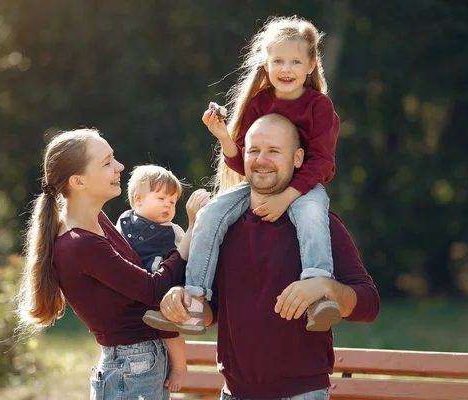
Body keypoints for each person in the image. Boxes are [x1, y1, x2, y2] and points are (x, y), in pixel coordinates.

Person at [156, 114, 380, 399]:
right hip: (234, 393)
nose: (261, 160)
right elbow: (212, 311)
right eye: (253, 150)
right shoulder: (220, 229)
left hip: (301, 394)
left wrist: (325, 287)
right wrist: (181, 301)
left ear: (298, 158)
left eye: (274, 151)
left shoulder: (320, 226)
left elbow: (369, 305)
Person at [151, 16, 342, 333]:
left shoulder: (318, 107)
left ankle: (317, 293)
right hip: (258, 187)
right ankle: (196, 301)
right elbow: (245, 163)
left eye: (295, 61)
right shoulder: (260, 103)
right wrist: (224, 137)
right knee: (211, 213)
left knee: (311, 215)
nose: (285, 68)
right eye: (278, 60)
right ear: (266, 64)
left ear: (310, 65)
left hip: (303, 187)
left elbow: (322, 163)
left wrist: (286, 198)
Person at [15, 128, 208, 399]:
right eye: (107, 163)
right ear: (78, 182)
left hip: (140, 364)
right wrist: (192, 228)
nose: (120, 167)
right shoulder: (81, 243)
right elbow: (154, 290)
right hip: (132, 367)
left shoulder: (99, 222)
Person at [116, 164, 211, 391]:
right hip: (135, 288)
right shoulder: (123, 222)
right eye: (161, 198)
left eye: (173, 201)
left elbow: (187, 254)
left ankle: (179, 367)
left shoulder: (174, 230)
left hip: (164, 291)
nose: (168, 205)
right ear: (138, 200)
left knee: (169, 332)